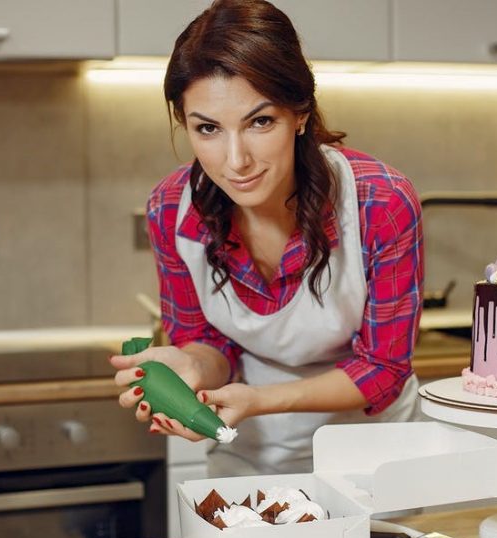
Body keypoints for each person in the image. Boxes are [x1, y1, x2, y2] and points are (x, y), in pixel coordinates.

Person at [111, 0, 424, 477]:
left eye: (260, 122)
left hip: (375, 457)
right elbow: (208, 343)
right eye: (208, 129)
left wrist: (259, 400)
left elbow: (384, 368)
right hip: (247, 455)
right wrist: (192, 369)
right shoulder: (171, 211)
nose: (236, 160)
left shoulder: (379, 203)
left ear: (300, 112)